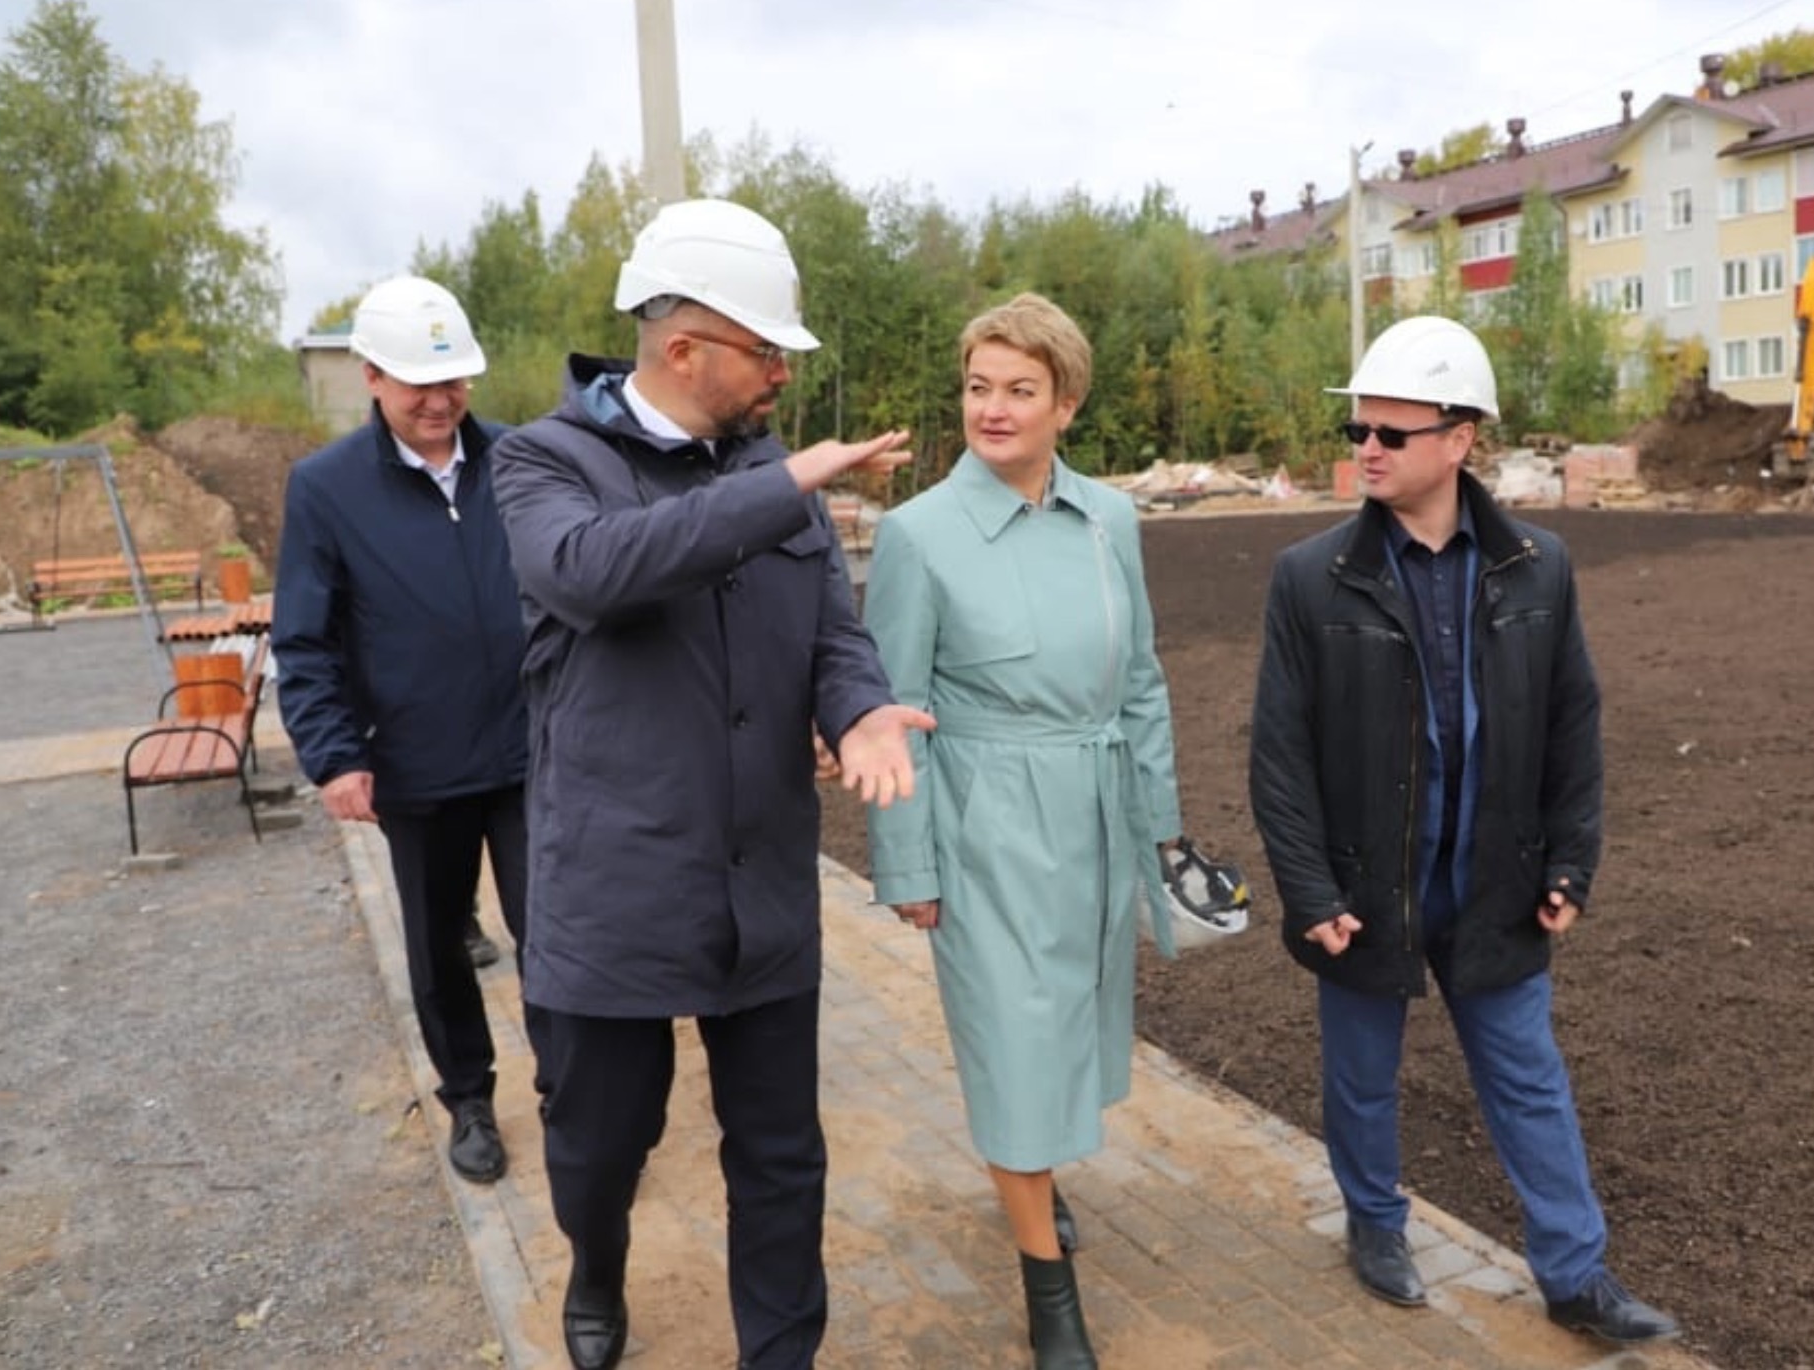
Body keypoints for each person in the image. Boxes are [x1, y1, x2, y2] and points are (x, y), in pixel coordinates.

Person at [490, 198, 933, 1370]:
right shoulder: (545, 462)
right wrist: (783, 485)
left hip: (764, 885)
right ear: (681, 347)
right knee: (600, 1138)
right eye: (765, 348)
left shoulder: (768, 475)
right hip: (617, 888)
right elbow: (593, 573)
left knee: (783, 1159)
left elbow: (831, 629)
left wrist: (861, 705)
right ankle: (594, 1261)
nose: (784, 371)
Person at [1248, 315, 1680, 1348]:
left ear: (1459, 439)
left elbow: (1574, 722)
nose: (1367, 450)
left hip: (1495, 879)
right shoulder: (1312, 578)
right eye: (1359, 430)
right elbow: (1279, 755)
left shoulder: (1540, 566)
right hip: (1366, 886)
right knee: (1360, 1078)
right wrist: (1312, 893)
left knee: (1530, 1078)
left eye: (1392, 434)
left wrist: (1571, 858)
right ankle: (1376, 1222)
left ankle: (1575, 1274)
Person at [864, 293, 1230, 1369]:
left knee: (1068, 1025)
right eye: (979, 386)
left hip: (1097, 811)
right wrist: (910, 862)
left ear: (1065, 402)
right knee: (1015, 1045)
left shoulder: (1111, 519)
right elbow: (896, 712)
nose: (994, 407)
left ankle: (1037, 1185)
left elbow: (1144, 684)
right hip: (985, 824)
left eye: (1020, 388)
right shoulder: (916, 534)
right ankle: (1048, 1291)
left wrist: (1162, 836)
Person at [272, 275, 534, 1189]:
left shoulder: (518, 460)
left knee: (560, 936)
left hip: (533, 753)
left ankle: (573, 1095)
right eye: (419, 384)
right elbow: (302, 637)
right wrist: (335, 754)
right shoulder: (327, 489)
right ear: (372, 378)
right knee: (436, 946)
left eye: (455, 379)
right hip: (416, 766)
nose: (440, 401)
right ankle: (468, 1097)